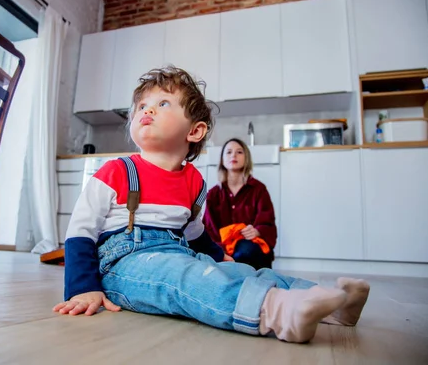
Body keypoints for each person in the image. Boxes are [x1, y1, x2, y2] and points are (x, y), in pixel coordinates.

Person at [53, 66, 370, 343]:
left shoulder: (193, 183)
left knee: (238, 271)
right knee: (187, 277)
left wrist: (222, 257)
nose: (146, 111)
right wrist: (82, 287)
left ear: (195, 131)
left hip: (179, 253)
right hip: (123, 266)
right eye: (141, 106)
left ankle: (327, 300)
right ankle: (276, 313)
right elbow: (80, 231)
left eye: (163, 103)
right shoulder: (117, 171)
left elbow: (194, 234)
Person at [203, 138, 276, 270]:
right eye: (229, 152)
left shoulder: (259, 189)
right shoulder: (213, 194)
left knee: (245, 251)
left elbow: (268, 221)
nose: (234, 155)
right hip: (222, 246)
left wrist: (257, 231)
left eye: (239, 152)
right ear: (222, 160)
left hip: (250, 247)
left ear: (246, 158)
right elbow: (209, 228)